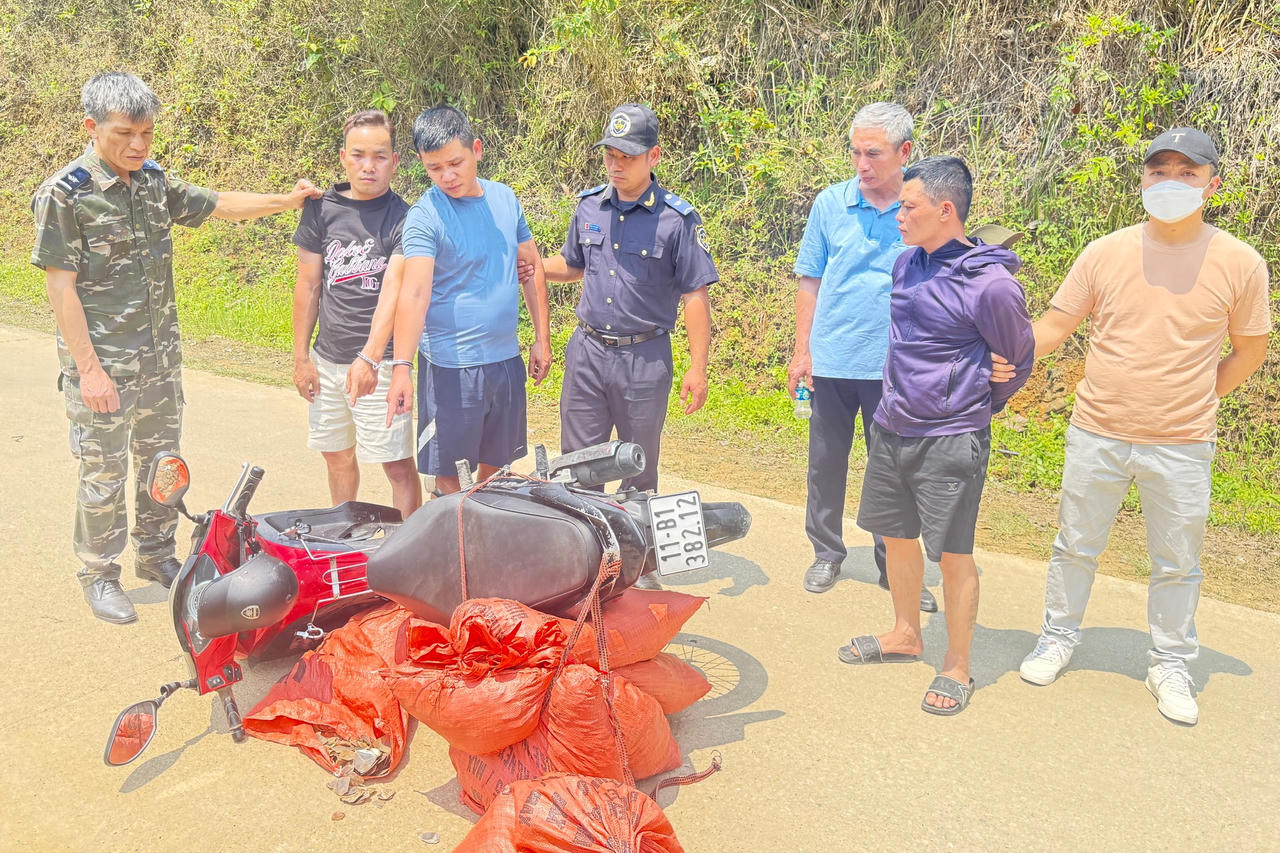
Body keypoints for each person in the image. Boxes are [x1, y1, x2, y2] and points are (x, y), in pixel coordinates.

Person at [1003, 128, 1271, 726]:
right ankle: (1056, 637)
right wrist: (1007, 356)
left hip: (1181, 443)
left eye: (1187, 172)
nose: (1171, 182)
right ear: (1142, 181)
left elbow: (1250, 349)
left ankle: (1171, 662)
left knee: (1177, 560)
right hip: (1097, 430)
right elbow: (1054, 325)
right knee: (1074, 545)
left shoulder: (1240, 262)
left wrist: (1199, 397)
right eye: (1158, 171)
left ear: (1213, 184)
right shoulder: (1104, 252)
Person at [31, 72, 321, 624]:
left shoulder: (152, 181)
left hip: (160, 361)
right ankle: (99, 572)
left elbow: (218, 205)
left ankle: (156, 554)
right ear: (92, 128)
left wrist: (288, 199)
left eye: (146, 133)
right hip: (106, 365)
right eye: (124, 134)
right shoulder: (66, 194)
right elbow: (59, 287)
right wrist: (90, 372)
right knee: (103, 472)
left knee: (161, 464)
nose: (137, 145)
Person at [838, 156, 1034, 717]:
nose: (898, 214)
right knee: (896, 538)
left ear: (945, 210)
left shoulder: (991, 284)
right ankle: (905, 633)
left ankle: (957, 664)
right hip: (892, 425)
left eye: (909, 205)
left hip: (951, 437)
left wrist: (973, 399)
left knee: (951, 554)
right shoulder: (907, 265)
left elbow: (1018, 360)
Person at [789, 101, 936, 613]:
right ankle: (827, 552)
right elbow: (811, 279)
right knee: (825, 464)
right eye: (855, 153)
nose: (862, 165)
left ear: (905, 153)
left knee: (893, 470)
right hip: (831, 360)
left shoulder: (922, 206)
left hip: (896, 366)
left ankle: (891, 565)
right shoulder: (831, 203)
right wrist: (801, 351)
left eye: (873, 154)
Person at [537, 104, 717, 496]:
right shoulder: (590, 206)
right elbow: (573, 264)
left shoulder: (677, 220)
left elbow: (694, 294)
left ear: (653, 156)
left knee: (637, 469)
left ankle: (634, 557)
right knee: (579, 468)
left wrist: (698, 367)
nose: (616, 166)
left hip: (644, 359)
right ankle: (589, 556)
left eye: (627, 157)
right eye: (610, 155)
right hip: (587, 355)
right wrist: (533, 265)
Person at [385, 105, 550, 495]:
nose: (447, 176)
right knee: (449, 484)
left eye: (455, 163)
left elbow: (532, 266)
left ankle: (486, 552)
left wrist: (542, 339)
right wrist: (402, 367)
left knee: (498, 476)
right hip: (450, 368)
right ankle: (448, 553)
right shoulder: (425, 216)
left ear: (476, 149)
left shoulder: (505, 199)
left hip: (505, 362)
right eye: (434, 168)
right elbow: (415, 292)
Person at [291, 109, 421, 522]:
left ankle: (406, 551)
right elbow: (308, 285)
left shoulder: (405, 216)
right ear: (344, 157)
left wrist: (369, 357)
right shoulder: (320, 209)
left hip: (380, 364)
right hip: (327, 360)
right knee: (337, 456)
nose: (369, 166)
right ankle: (342, 537)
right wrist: (301, 358)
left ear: (395, 162)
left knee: (396, 464)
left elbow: (395, 292)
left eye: (380, 156)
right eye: (360, 155)